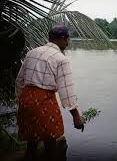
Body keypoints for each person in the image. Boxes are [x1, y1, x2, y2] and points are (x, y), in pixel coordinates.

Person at [15, 25, 84, 161]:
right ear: (63, 39)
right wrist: (76, 117)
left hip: (26, 99)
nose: (68, 43)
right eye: (67, 39)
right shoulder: (60, 59)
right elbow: (67, 91)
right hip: (44, 101)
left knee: (32, 142)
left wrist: (22, 99)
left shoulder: (32, 52)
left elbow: (19, 80)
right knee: (51, 140)